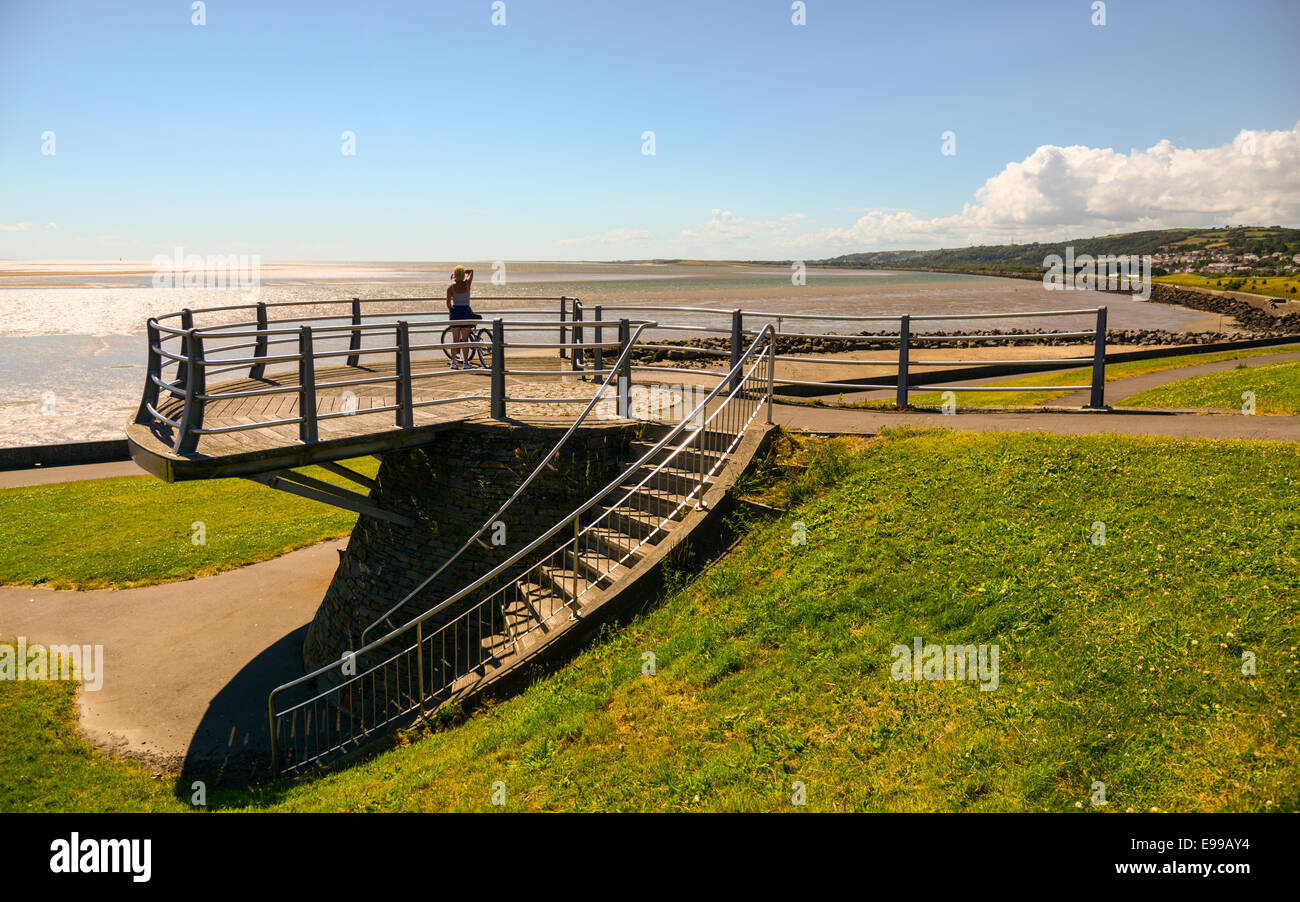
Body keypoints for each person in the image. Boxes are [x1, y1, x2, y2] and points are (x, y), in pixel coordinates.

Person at [445, 266, 481, 368]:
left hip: (455, 312)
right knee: (465, 340)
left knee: (455, 340)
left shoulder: (450, 287)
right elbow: (471, 270)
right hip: (466, 312)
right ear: (463, 275)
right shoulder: (467, 284)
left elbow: (448, 304)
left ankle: (453, 362)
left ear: (454, 275)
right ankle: (465, 363)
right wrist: (461, 272)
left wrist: (452, 311)